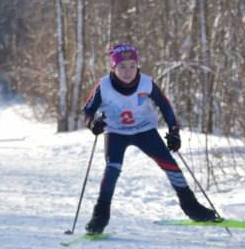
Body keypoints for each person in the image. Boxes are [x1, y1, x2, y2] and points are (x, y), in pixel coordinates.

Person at [81, 42, 218, 234]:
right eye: (122, 67)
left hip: (144, 131)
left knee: (170, 166)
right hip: (116, 132)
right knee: (112, 170)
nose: (128, 71)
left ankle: (192, 207)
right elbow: (88, 111)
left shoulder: (146, 83)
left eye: (132, 66)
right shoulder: (103, 86)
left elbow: (165, 105)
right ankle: (100, 216)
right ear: (113, 67)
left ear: (137, 65)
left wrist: (174, 131)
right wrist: (93, 124)